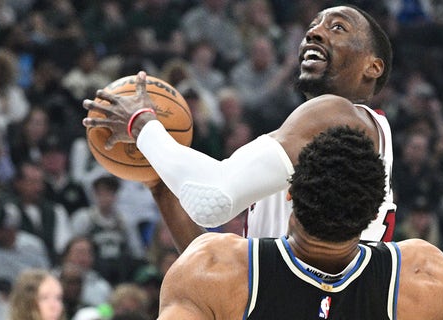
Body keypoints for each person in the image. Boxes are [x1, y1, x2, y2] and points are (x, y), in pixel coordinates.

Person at [83, 5, 397, 246]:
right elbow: (212, 275)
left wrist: (143, 125)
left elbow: (215, 198)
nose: (313, 33)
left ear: (373, 66)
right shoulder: (320, 137)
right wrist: (160, 183)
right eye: (312, 26)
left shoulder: (337, 114)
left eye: (338, 27)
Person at [155, 126, 443, 319]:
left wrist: (157, 173)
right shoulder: (426, 276)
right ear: (375, 212)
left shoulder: (213, 265)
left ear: (289, 194)